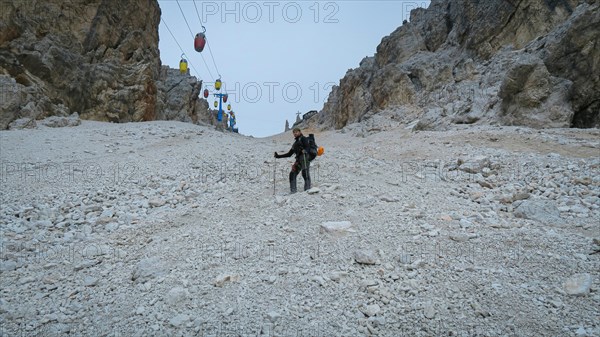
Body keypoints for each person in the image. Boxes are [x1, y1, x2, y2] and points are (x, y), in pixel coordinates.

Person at [274, 127, 311, 193]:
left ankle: (307, 190)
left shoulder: (303, 138)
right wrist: (278, 156)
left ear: (299, 132)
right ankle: (293, 191)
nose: (295, 133)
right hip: (298, 160)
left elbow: (308, 147)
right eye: (294, 132)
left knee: (305, 173)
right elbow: (289, 154)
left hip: (305, 158)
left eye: (296, 132)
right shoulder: (295, 144)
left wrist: (305, 150)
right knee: (292, 174)